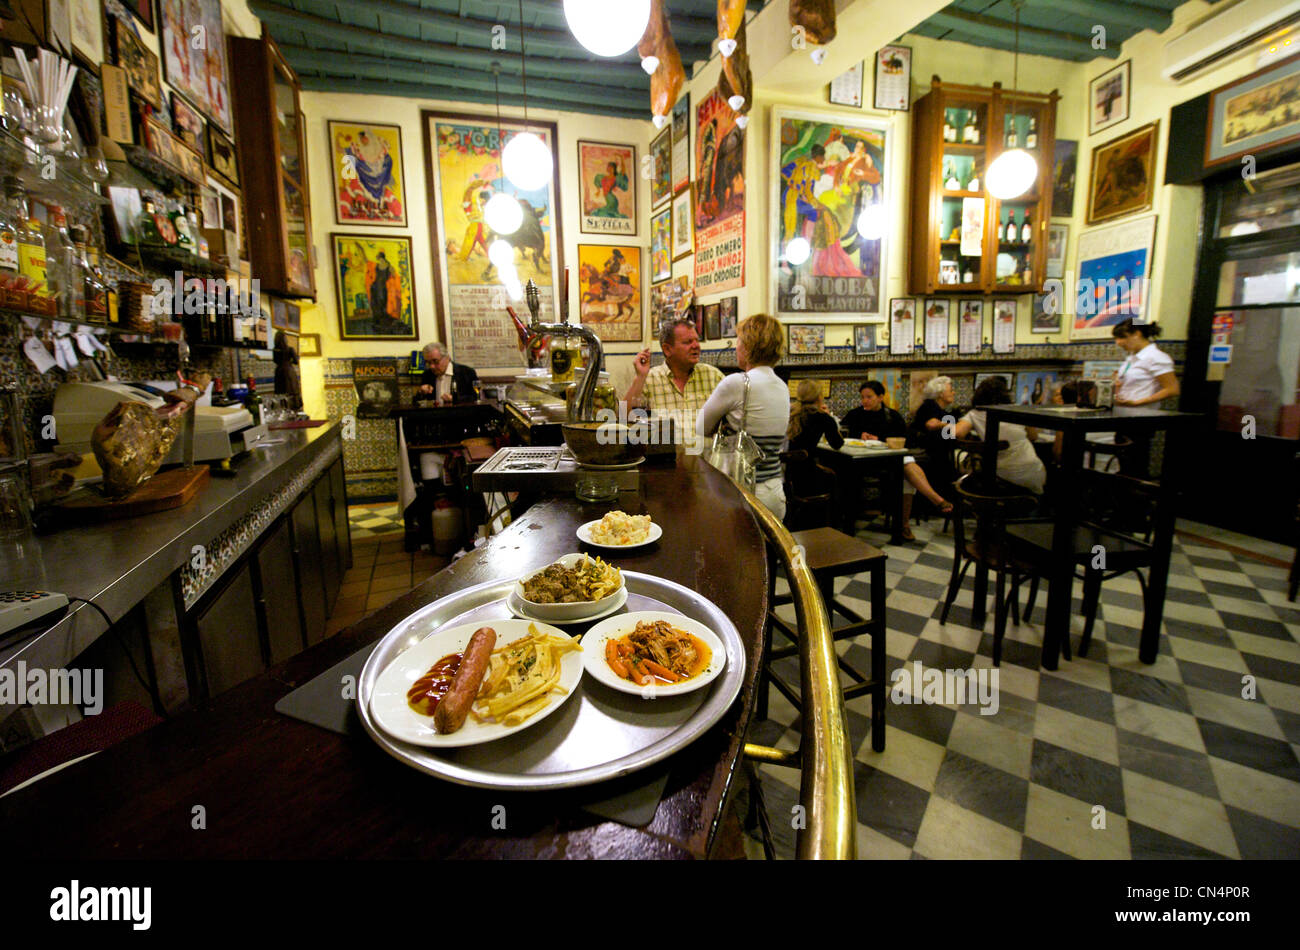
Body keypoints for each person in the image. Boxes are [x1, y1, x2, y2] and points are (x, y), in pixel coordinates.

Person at [696, 315, 790, 519]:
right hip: (774, 490)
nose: (736, 347)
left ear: (748, 346)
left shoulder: (737, 383)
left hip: (744, 490)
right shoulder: (782, 386)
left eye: (739, 341)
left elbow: (700, 428)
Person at [624, 317, 724, 448]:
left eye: (697, 340)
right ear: (667, 349)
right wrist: (640, 377)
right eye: (688, 342)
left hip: (708, 461)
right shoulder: (650, 379)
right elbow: (623, 418)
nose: (696, 346)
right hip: (667, 462)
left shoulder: (713, 376)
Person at [952, 376, 1046, 494]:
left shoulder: (975, 414)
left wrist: (944, 421)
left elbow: (955, 433)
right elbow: (1033, 437)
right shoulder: (1019, 410)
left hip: (1002, 476)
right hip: (1033, 471)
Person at [907, 375, 959, 500]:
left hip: (938, 452)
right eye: (951, 390)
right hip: (926, 453)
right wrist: (954, 425)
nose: (954, 392)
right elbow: (931, 424)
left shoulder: (945, 412)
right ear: (940, 393)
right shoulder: (929, 406)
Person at [1113, 319, 1179, 407]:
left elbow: (1172, 389)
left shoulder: (1156, 357)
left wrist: (1138, 403)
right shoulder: (1132, 357)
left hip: (1143, 412)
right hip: (1124, 411)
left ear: (1137, 334)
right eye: (1116, 338)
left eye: (1122, 337)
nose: (1118, 342)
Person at [787, 380, 843, 453]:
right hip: (808, 462)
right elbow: (837, 444)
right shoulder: (823, 418)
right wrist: (830, 418)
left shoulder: (791, 413)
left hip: (786, 461)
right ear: (819, 397)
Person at [840, 380, 905, 442]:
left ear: (880, 398)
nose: (865, 401)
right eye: (862, 397)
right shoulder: (854, 414)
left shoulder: (892, 416)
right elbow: (843, 431)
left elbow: (903, 439)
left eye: (869, 397)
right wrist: (859, 435)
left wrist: (879, 439)